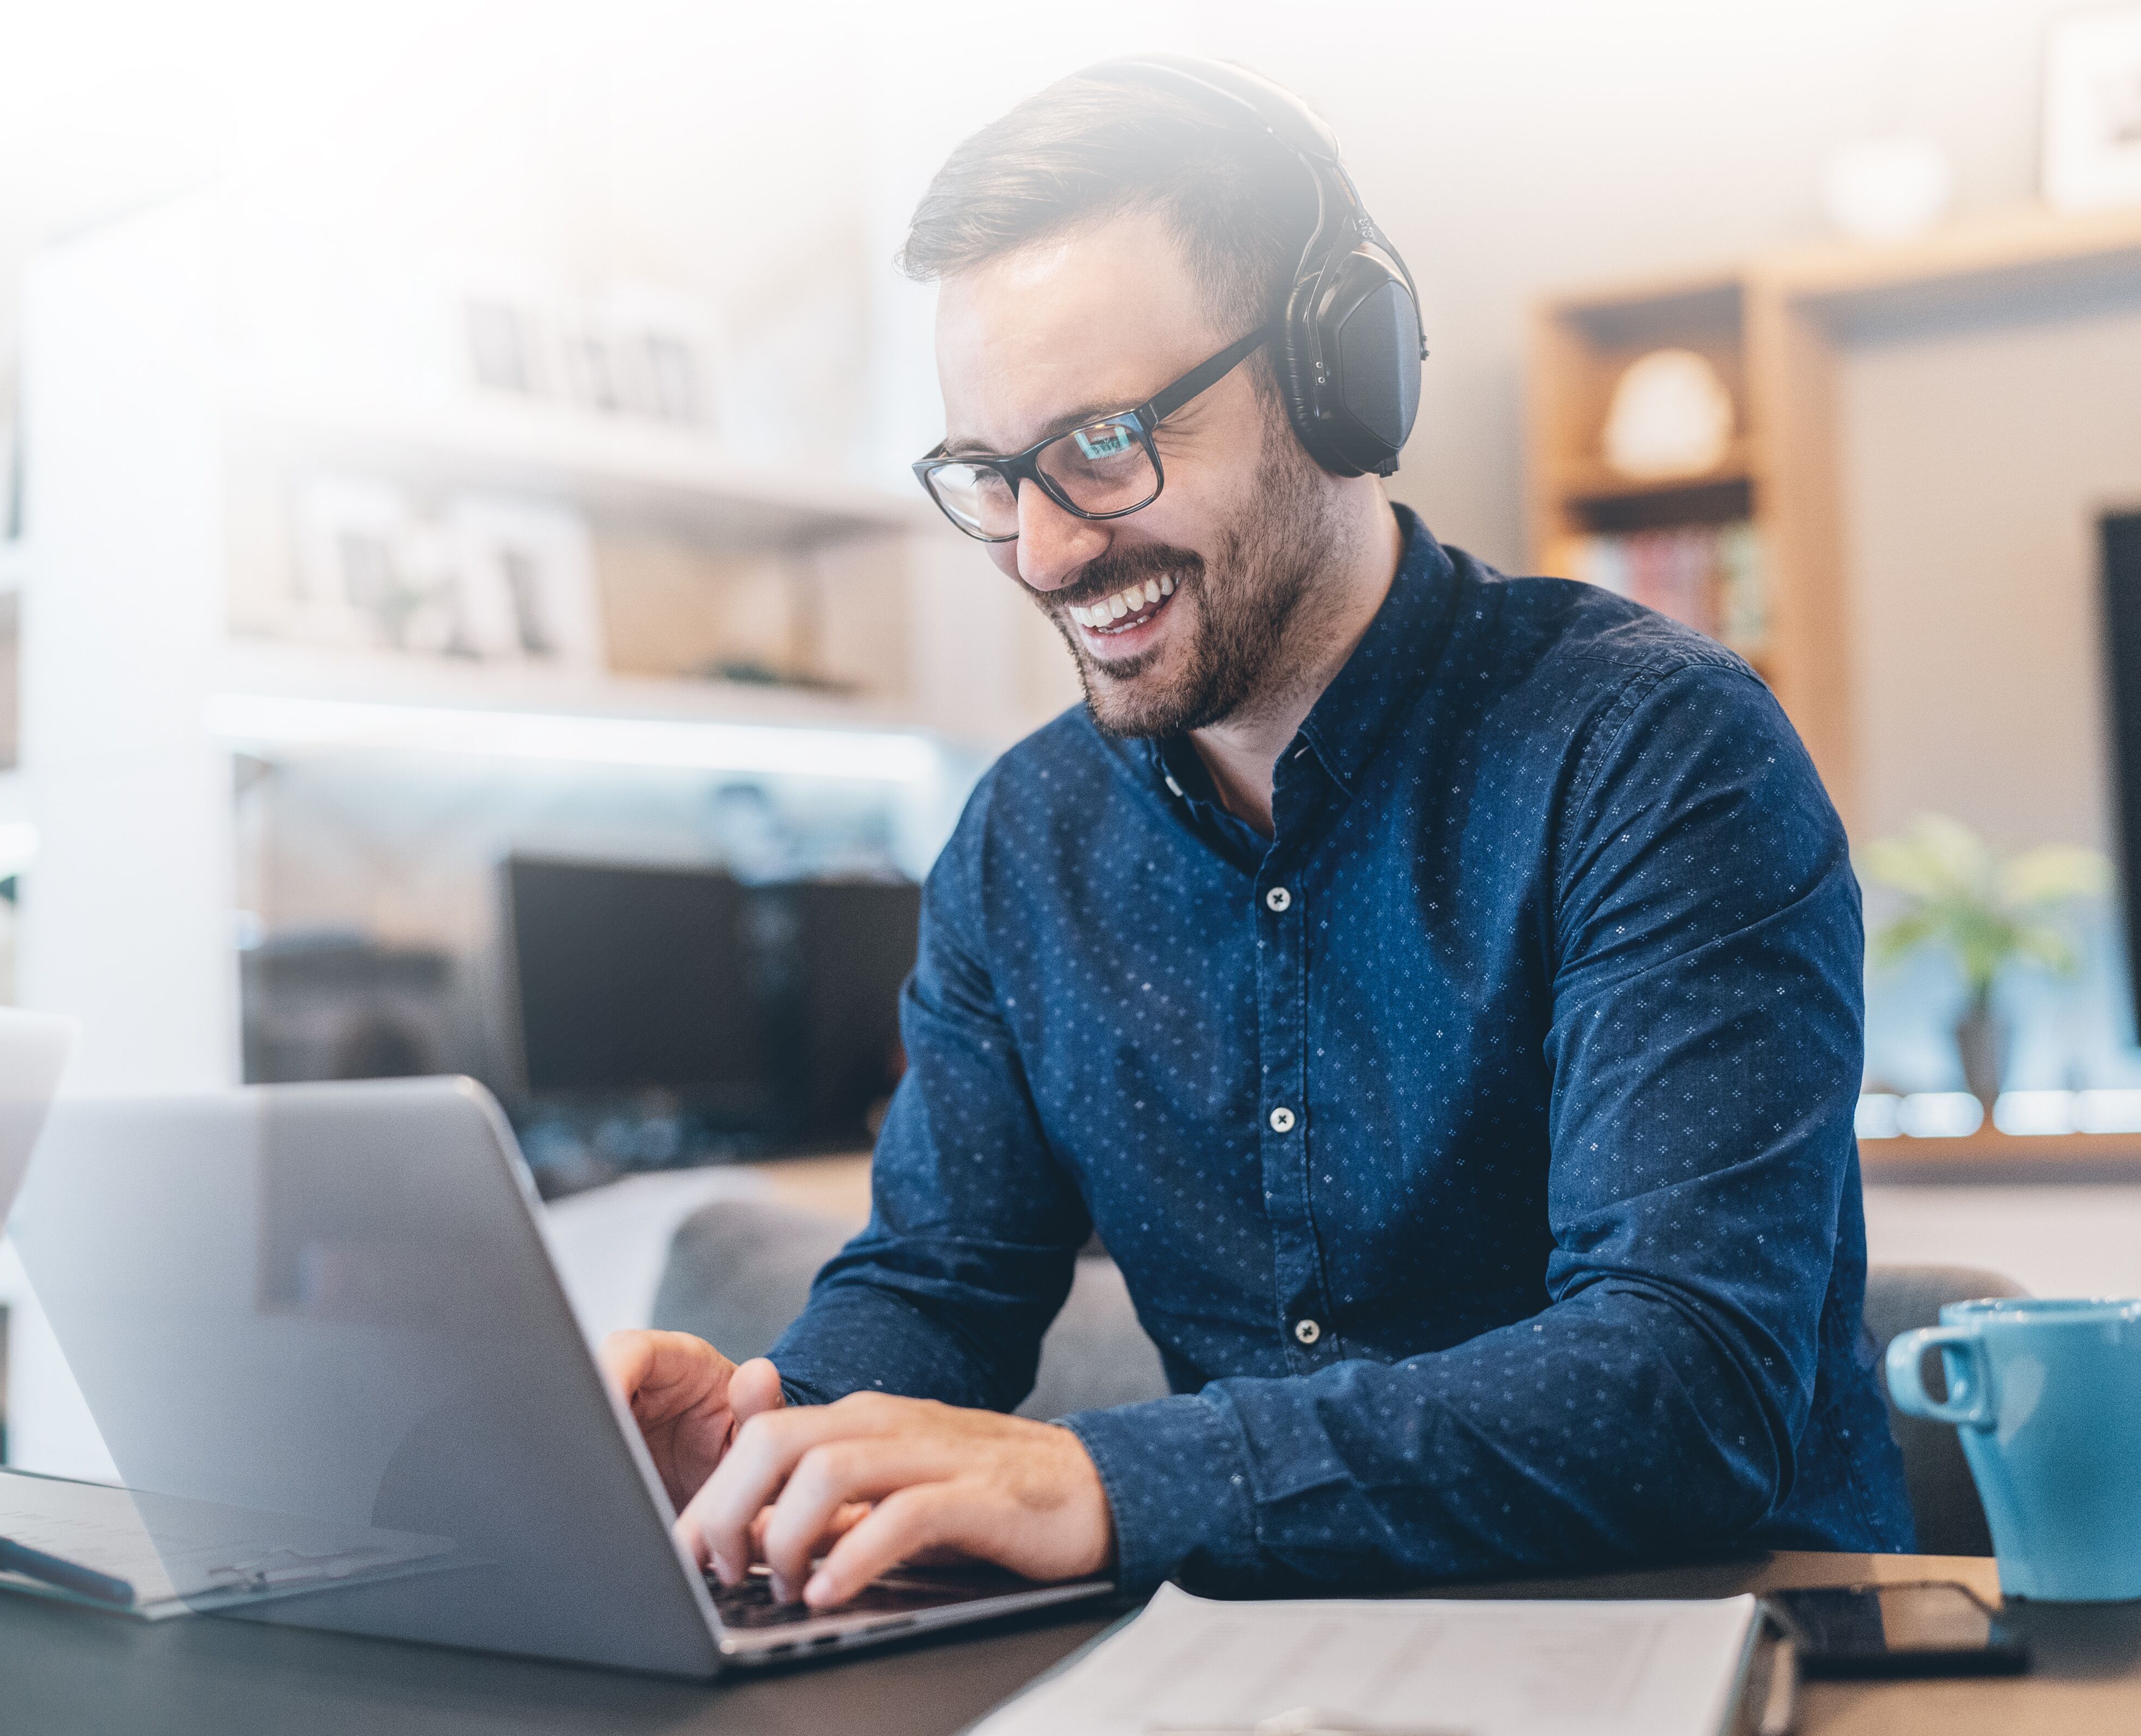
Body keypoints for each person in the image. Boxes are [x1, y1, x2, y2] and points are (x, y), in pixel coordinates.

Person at [605, 59, 1909, 1608]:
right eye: (991, 473)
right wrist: (778, 1445)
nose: (1044, 546)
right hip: (1255, 1664)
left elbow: (1687, 1389)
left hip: (1709, 1632)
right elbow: (940, 1281)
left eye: (1103, 442)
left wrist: (1113, 1478)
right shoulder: (1024, 840)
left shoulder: (1658, 754)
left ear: (1334, 377)